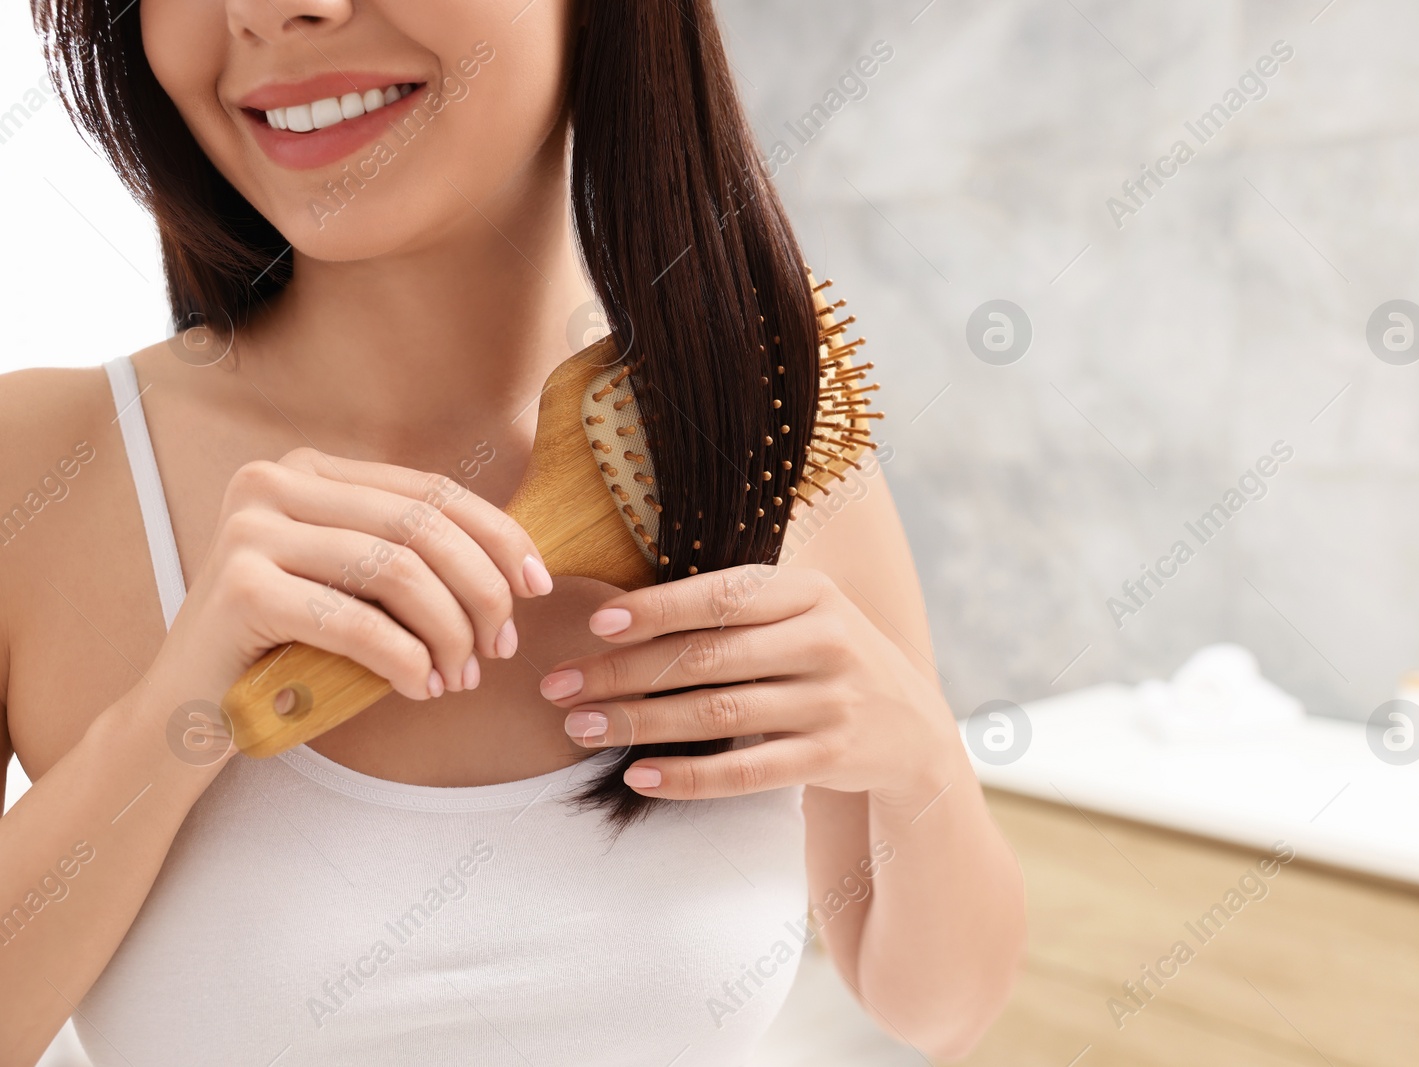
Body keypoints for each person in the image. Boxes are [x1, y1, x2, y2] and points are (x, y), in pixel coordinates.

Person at [0, 0, 1025, 1062]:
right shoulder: (37, 466)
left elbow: (937, 1007)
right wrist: (174, 713)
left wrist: (917, 759)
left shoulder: (751, 433)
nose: (270, 6)